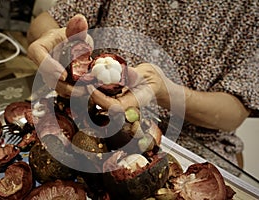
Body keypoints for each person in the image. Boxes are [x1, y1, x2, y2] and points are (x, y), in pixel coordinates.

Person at [27, 0, 259, 170]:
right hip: (91, 111)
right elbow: (46, 22)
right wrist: (59, 47)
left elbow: (235, 111)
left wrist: (166, 92)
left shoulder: (250, 11)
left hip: (192, 141)